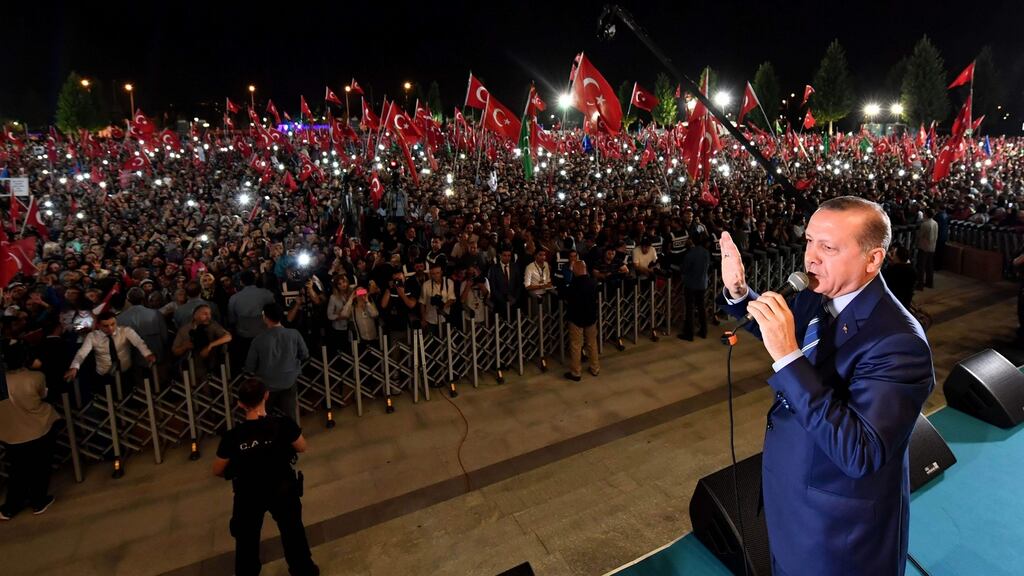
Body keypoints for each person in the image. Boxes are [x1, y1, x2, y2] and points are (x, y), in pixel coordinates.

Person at [717, 196, 934, 576]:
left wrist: (788, 357)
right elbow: (782, 332)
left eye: (828, 247)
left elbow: (860, 453)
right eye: (809, 241)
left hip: (840, 538)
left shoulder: (900, 343)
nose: (811, 258)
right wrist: (740, 294)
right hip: (790, 506)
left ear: (873, 259)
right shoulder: (818, 295)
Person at [212, 378, 319, 576]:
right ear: (266, 396)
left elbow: (217, 469)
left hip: (248, 493)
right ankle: (303, 570)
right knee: (292, 532)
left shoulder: (232, 437)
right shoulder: (283, 424)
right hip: (282, 488)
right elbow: (302, 446)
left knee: (246, 541)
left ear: (240, 404)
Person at [0, 340, 62, 520]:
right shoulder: (35, 377)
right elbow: (43, 394)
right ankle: (39, 500)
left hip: (9, 432)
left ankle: (11, 507)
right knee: (40, 466)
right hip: (38, 427)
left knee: (17, 469)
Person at [244, 304, 309, 423]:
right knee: (290, 415)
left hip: (266, 385)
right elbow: (304, 354)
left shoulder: (258, 340)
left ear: (265, 318)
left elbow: (250, 366)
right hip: (289, 381)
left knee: (265, 416)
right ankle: (293, 436)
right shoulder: (294, 334)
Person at [65, 312, 156, 392]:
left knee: (128, 396)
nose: (110, 328)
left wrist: (147, 354)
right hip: (104, 374)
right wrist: (74, 367)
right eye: (105, 326)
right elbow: (82, 353)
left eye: (113, 324)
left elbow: (138, 342)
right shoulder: (92, 336)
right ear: (98, 326)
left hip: (124, 372)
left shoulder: (125, 330)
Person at [172, 304, 232, 383]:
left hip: (210, 367)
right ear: (195, 316)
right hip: (190, 369)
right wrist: (184, 347)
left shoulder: (212, 325)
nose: (208, 317)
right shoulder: (184, 330)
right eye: (205, 314)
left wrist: (210, 345)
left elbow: (228, 337)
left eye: (209, 314)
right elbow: (174, 351)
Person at [562, 261, 599, 381]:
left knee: (576, 345)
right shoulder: (593, 282)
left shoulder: (573, 285)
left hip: (576, 318)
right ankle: (595, 368)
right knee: (592, 343)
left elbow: (567, 298)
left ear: (576, 270)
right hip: (591, 317)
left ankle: (576, 372)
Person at [679, 233, 710, 340]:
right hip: (702, 283)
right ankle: (703, 331)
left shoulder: (690, 254)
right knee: (701, 307)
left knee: (690, 309)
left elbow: (684, 269)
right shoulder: (706, 252)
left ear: (692, 241)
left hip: (691, 284)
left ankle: (689, 333)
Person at [916, 208, 938, 289]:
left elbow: (920, 235)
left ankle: (920, 284)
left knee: (921, 266)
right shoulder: (935, 223)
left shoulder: (925, 224)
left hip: (924, 247)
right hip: (932, 247)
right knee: (929, 266)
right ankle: (930, 283)